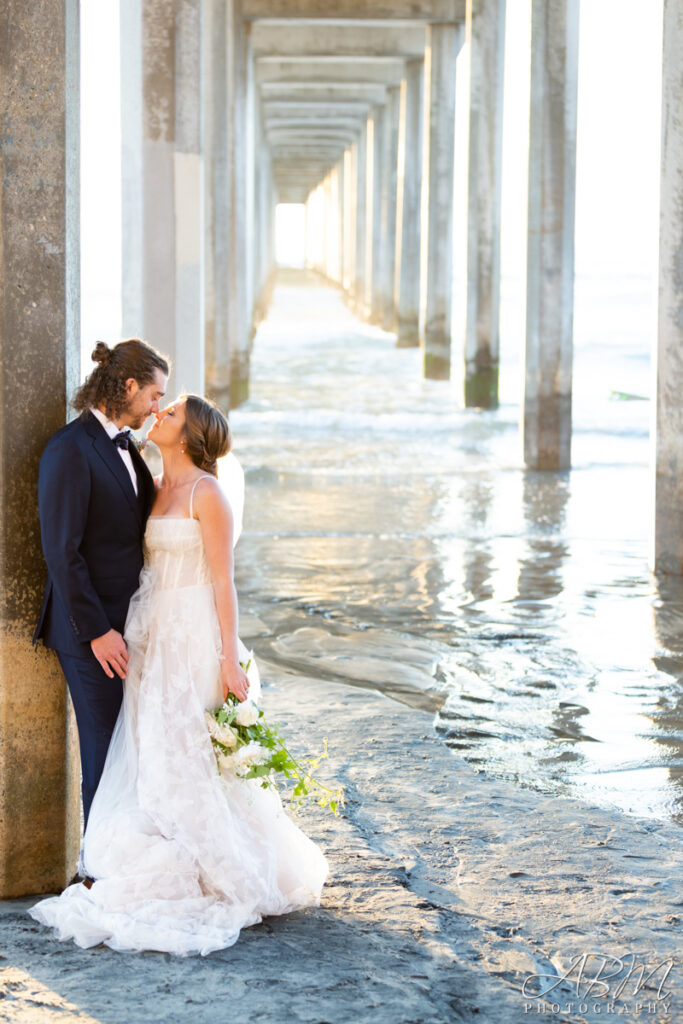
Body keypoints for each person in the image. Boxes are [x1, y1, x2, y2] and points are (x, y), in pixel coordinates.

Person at [29, 394, 329, 956]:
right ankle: (159, 846)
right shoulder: (152, 483)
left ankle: (215, 863)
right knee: (153, 747)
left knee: (189, 747)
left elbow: (223, 581)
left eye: (170, 413)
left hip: (194, 636)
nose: (158, 414)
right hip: (151, 632)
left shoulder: (207, 493)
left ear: (188, 437)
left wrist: (228, 658)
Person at [34, 339, 169, 836]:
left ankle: (120, 857)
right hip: (89, 633)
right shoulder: (69, 449)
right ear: (129, 386)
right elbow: (61, 553)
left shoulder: (128, 446)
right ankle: (96, 865)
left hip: (130, 626)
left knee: (129, 751)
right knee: (104, 753)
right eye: (154, 395)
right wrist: (97, 632)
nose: (156, 408)